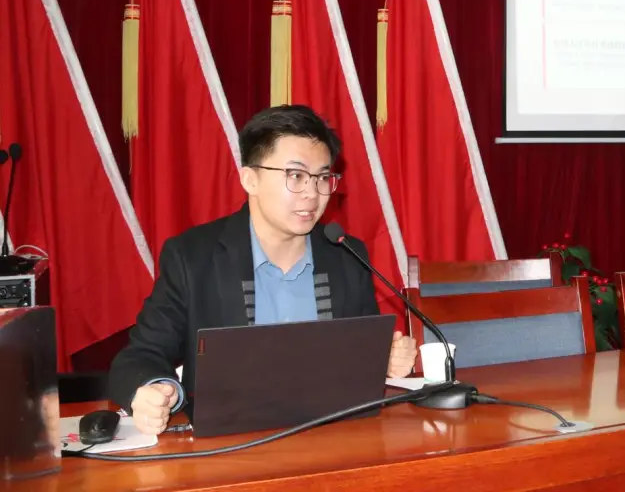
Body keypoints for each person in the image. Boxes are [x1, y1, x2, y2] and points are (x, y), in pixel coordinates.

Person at [108, 105, 417, 435]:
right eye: (296, 176)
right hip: (231, 445)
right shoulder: (194, 257)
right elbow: (139, 357)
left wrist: (384, 360)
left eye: (323, 177)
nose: (312, 193)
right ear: (250, 179)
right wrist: (153, 391)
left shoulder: (346, 255)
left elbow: (358, 360)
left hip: (332, 440)